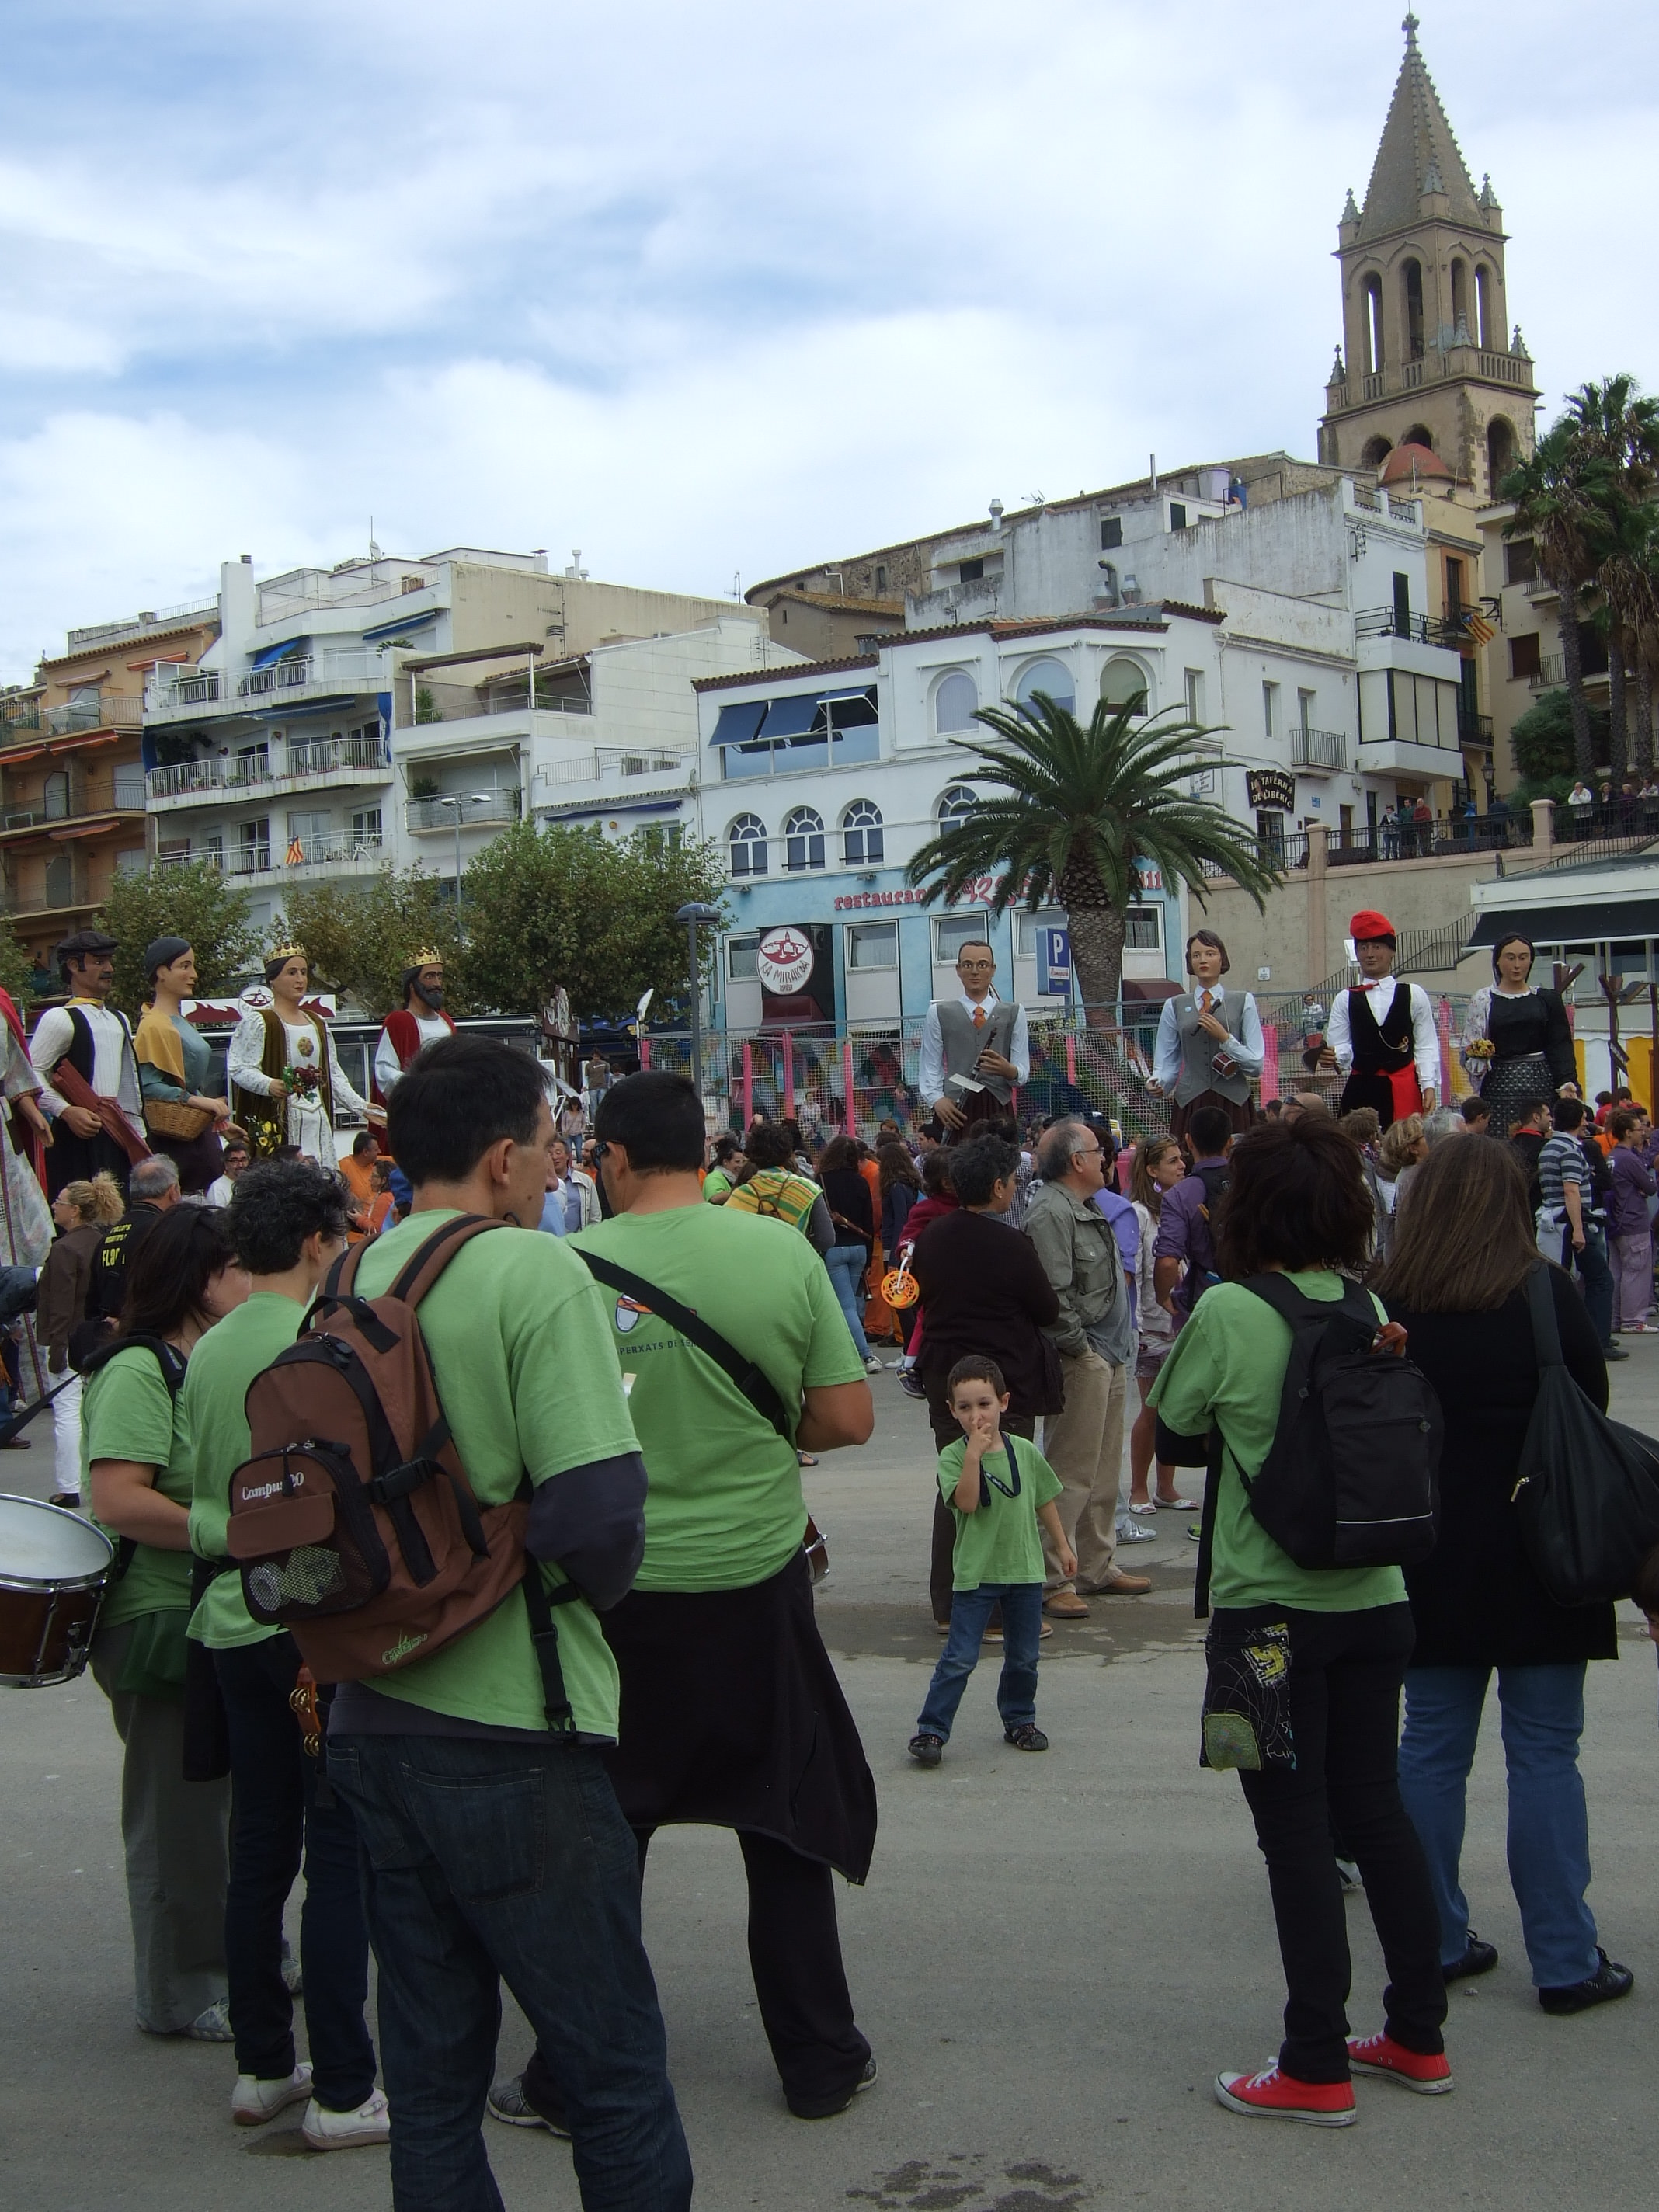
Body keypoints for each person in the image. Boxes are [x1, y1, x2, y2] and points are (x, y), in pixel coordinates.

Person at [322, 1043, 694, 2205]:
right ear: (500, 1158)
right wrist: (574, 1595)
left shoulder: (350, 1273)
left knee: (431, 2086)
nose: (555, 1165)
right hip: (517, 1725)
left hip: (370, 1716)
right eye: (547, 1144)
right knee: (613, 2072)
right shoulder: (532, 1269)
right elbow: (598, 1511)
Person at [494, 1067, 878, 2132]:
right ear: (704, 1155)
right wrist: (764, 1430)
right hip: (758, 1589)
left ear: (611, 1158)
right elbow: (848, 1419)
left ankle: (573, 2079)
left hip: (615, 1603)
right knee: (784, 1825)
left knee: (607, 1841)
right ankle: (820, 2061)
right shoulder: (776, 1250)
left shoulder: (565, 1269)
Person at [1149, 1116, 1449, 2124]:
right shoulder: (1369, 1303)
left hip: (1264, 1617)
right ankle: (1417, 2034)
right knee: (1377, 1813)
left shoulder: (1229, 1309)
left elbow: (1176, 1433)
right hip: (1377, 1601)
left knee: (1293, 1835)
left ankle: (1315, 2059)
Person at [1377, 1139, 1634, 2016]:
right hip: (1547, 1549)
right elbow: (1591, 1407)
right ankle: (1564, 1957)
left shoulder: (1395, 1302)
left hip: (1430, 1551)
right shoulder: (1544, 1294)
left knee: (1429, 1749)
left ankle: (1435, 1941)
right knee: (1547, 1754)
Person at [185, 1161, 386, 2151]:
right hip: (309, 1625)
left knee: (259, 1848)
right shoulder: (318, 1342)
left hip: (230, 1618)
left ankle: (263, 2064)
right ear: (317, 1242)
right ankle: (346, 2084)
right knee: (338, 1850)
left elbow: (205, 1494)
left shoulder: (212, 1346)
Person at [84, 1205, 249, 2041]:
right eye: (238, 1267)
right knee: (177, 1813)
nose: (252, 1280)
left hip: (207, 1605)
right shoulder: (140, 1369)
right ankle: (182, 1987)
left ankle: (235, 1957)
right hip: (155, 1614)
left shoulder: (205, 1359)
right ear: (199, 1279)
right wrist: (224, 1531)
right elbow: (119, 1499)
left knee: (225, 1806)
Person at [909, 1135, 1063, 1629]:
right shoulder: (1012, 1244)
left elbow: (919, 1299)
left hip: (946, 1377)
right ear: (998, 1187)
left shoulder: (932, 1237)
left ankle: (949, 1606)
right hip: (1000, 1379)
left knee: (956, 1482)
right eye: (1013, 1181)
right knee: (1004, 1487)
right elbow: (1047, 1309)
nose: (1014, 1188)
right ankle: (997, 1613)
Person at [908, 1355, 1073, 1766]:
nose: (976, 1415)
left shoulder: (1025, 1451)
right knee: (960, 1657)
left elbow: (1043, 1498)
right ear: (952, 1411)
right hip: (976, 1574)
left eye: (984, 1404)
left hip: (1024, 1570)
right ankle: (932, 1728)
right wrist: (973, 1457)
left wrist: (1062, 1545)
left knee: (1024, 1656)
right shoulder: (953, 1457)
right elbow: (965, 1502)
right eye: (965, 1408)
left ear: (1003, 1402)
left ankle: (1020, 1719)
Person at [1027, 1119, 1149, 1617]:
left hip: (1109, 1355)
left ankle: (1095, 1566)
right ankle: (1055, 1577)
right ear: (1077, 1161)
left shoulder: (1086, 1205)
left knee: (1102, 1470)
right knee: (1071, 1470)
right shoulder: (1051, 1212)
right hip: (1084, 1357)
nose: (1107, 1157)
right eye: (1100, 1151)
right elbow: (1053, 1296)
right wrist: (1082, 1349)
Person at [30, 925, 148, 1196]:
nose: (109, 969)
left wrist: (137, 1132)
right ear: (74, 966)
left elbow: (128, 1084)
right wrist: (65, 1111)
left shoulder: (119, 1019)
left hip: (115, 1130)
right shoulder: (59, 1019)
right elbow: (32, 1073)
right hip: (76, 1137)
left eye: (109, 961)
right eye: (99, 962)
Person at [228, 944, 371, 1163]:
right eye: (292, 972)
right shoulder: (260, 1021)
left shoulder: (317, 1022)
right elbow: (239, 1067)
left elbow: (333, 1075)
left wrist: (361, 1106)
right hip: (281, 1120)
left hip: (317, 1118)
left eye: (303, 972)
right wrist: (268, 1084)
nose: (300, 979)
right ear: (272, 980)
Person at [36, 1172, 124, 1506]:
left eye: (59, 1202)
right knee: (96, 1411)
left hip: (70, 1342)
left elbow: (60, 1305)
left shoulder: (64, 1249)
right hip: (99, 1338)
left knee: (68, 1413)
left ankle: (69, 1485)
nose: (54, 1206)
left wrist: (57, 1350)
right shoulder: (103, 1242)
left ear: (73, 1211)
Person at [1125, 1136, 1192, 1517]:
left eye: (1182, 1159)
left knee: (1176, 1409)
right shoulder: (1137, 1215)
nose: (1181, 1166)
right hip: (1150, 1327)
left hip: (1180, 1324)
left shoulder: (1181, 1207)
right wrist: (1135, 1325)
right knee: (1151, 1409)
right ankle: (1139, 1488)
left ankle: (1166, 1486)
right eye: (1172, 1161)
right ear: (1152, 1170)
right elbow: (1133, 1273)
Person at [1323, 911, 1439, 1129]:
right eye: (1363, 948)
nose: (1370, 954)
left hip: (1403, 1088)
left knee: (1405, 1143)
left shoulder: (1414, 994)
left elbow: (1426, 1045)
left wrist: (1429, 1086)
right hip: (1361, 1091)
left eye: (1377, 947)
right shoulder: (1345, 998)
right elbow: (1342, 1046)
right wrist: (1333, 1055)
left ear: (1391, 951)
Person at [132, 937, 231, 1195]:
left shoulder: (180, 1021)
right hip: (174, 1139)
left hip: (195, 1132)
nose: (193, 974)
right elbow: (149, 1085)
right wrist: (198, 1102)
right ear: (161, 972)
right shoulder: (154, 1025)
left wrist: (216, 1115)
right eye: (184, 966)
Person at [1145, 930, 1264, 1139]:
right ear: (1190, 962)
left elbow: (1255, 1065)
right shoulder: (1174, 1005)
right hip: (1192, 1101)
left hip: (1233, 1101)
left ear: (1222, 958)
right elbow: (1166, 1059)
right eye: (1196, 955)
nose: (1203, 960)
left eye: (1210, 953)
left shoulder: (1243, 1001)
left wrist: (1225, 1039)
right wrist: (1158, 1083)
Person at [1459, 934, 1577, 1138]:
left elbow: (1560, 1045)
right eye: (1510, 958)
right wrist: (1478, 1056)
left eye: (1523, 958)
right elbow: (1470, 1044)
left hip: (1541, 1081)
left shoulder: (1546, 999)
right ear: (1498, 960)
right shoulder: (1483, 999)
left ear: (1530, 961)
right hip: (1499, 1084)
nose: (1517, 965)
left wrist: (1566, 1081)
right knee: (1502, 1140)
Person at [1536, 1097, 1624, 1359]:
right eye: (1584, 1119)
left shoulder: (1549, 1147)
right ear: (1576, 1121)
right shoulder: (1570, 1150)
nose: (1587, 1123)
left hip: (1555, 1222)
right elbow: (1571, 1190)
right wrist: (1578, 1229)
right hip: (1572, 1223)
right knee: (1601, 1279)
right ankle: (1599, 1340)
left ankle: (1587, 1338)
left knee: (1569, 1280)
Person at [917, 940, 1029, 1142]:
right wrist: (937, 1100)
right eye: (968, 965)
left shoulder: (1014, 1013)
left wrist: (1009, 1070)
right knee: (955, 1160)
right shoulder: (938, 1013)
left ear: (993, 969)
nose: (975, 971)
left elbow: (1022, 1069)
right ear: (958, 969)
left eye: (982, 965)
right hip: (955, 1110)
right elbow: (930, 1064)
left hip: (998, 1108)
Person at [1153, 1104, 1234, 1324]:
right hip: (1255, 1294)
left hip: (1204, 1301)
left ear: (1189, 1141)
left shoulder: (1180, 1195)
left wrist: (1163, 1297)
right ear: (1230, 1142)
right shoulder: (1252, 1182)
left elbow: (1168, 1262)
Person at [814, 1136, 882, 1372]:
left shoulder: (821, 1180)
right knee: (852, 1301)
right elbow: (868, 1221)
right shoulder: (861, 1182)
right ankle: (853, 1351)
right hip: (859, 1247)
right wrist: (869, 1255)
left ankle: (865, 1356)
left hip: (834, 1247)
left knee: (845, 1306)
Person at [90, 1154, 182, 1323]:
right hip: (154, 1331)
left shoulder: (107, 1238)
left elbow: (91, 1305)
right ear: (173, 1192)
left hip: (110, 1332)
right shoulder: (167, 1233)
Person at [725, 1120, 835, 1252]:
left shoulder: (741, 1194)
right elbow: (826, 1239)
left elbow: (728, 1234)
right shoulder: (808, 1189)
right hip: (794, 1259)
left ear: (751, 1155)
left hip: (754, 1260)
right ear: (787, 1152)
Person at [370, 948, 455, 1111]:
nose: (437, 983)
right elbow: (384, 1072)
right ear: (412, 984)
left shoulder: (446, 1021)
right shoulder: (399, 1021)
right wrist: (420, 1088)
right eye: (429, 976)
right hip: (416, 1111)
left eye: (439, 976)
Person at [1605, 1106, 1655, 1333]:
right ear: (1627, 1133)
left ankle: (1615, 1318)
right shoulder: (1629, 1158)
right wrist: (1644, 1187)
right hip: (1634, 1220)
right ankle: (1633, 1320)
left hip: (1616, 1221)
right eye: (1637, 1129)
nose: (1642, 1132)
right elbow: (1650, 1186)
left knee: (1617, 1271)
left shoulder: (1612, 1157)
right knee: (1636, 1271)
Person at [204, 1135, 252, 1209]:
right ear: (226, 1164)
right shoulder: (217, 1188)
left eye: (243, 1160)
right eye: (234, 1161)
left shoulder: (251, 1184)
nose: (240, 1165)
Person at [701, 1132, 743, 1203]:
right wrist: (742, 1192)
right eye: (737, 1162)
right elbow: (715, 1198)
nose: (741, 1165)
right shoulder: (714, 1177)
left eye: (743, 1162)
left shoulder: (736, 1177)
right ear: (725, 1162)